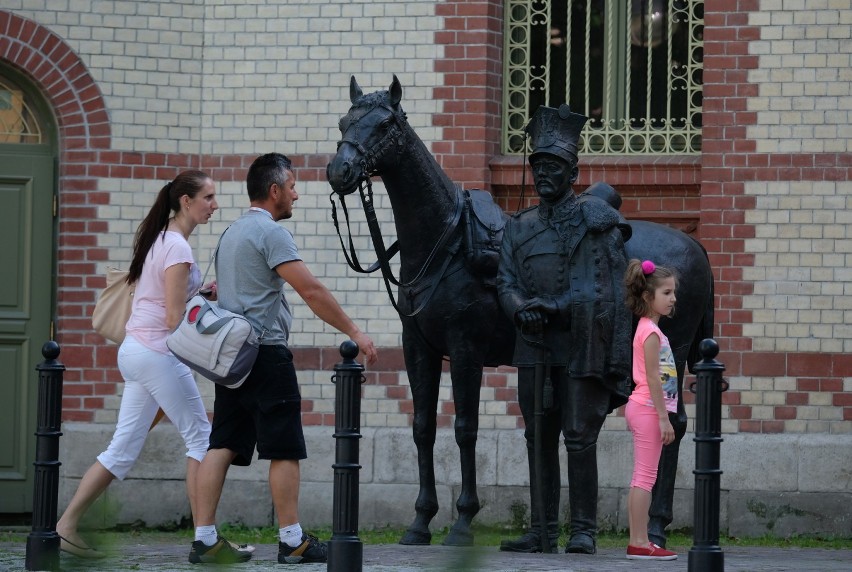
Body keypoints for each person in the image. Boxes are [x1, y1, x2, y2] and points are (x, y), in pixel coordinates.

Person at [189, 152, 378, 565]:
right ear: (273, 191)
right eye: (291, 187)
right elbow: (311, 291)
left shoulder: (231, 232)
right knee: (284, 447)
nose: (295, 194)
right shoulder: (270, 233)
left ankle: (204, 538)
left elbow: (226, 289)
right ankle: (293, 540)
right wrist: (355, 332)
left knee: (221, 444)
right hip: (265, 354)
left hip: (231, 360)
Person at [56, 171, 218, 558]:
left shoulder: (159, 239)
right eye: (209, 197)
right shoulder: (178, 247)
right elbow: (173, 318)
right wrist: (212, 314)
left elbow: (161, 299)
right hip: (158, 354)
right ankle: (205, 540)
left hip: (135, 351)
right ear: (185, 201)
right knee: (201, 438)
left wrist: (199, 291)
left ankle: (64, 526)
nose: (214, 205)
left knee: (122, 449)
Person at [497, 104, 632, 555]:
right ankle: (541, 531)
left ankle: (583, 530)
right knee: (538, 439)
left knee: (578, 437)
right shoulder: (519, 228)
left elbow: (607, 290)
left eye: (553, 167)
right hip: (533, 346)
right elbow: (505, 281)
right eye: (538, 167)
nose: (543, 175)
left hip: (578, 345)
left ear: (573, 172)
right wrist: (520, 309)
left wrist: (555, 306)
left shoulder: (596, 223)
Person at [623, 259, 679, 561]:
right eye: (667, 293)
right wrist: (663, 418)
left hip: (642, 406)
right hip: (647, 408)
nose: (673, 299)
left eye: (673, 293)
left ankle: (638, 540)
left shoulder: (647, 329)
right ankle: (641, 542)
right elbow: (654, 377)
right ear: (648, 297)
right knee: (645, 477)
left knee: (640, 477)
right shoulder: (651, 333)